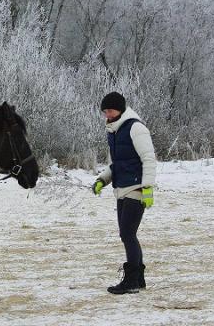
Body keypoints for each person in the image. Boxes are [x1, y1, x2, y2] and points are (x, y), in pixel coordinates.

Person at [92, 92, 156, 294]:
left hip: (136, 188)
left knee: (127, 234)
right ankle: (138, 279)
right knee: (127, 235)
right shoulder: (113, 131)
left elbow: (149, 159)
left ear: (120, 109)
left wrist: (147, 188)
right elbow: (118, 164)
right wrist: (103, 179)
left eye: (110, 110)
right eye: (105, 112)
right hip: (121, 188)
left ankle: (131, 281)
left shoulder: (136, 128)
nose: (107, 115)